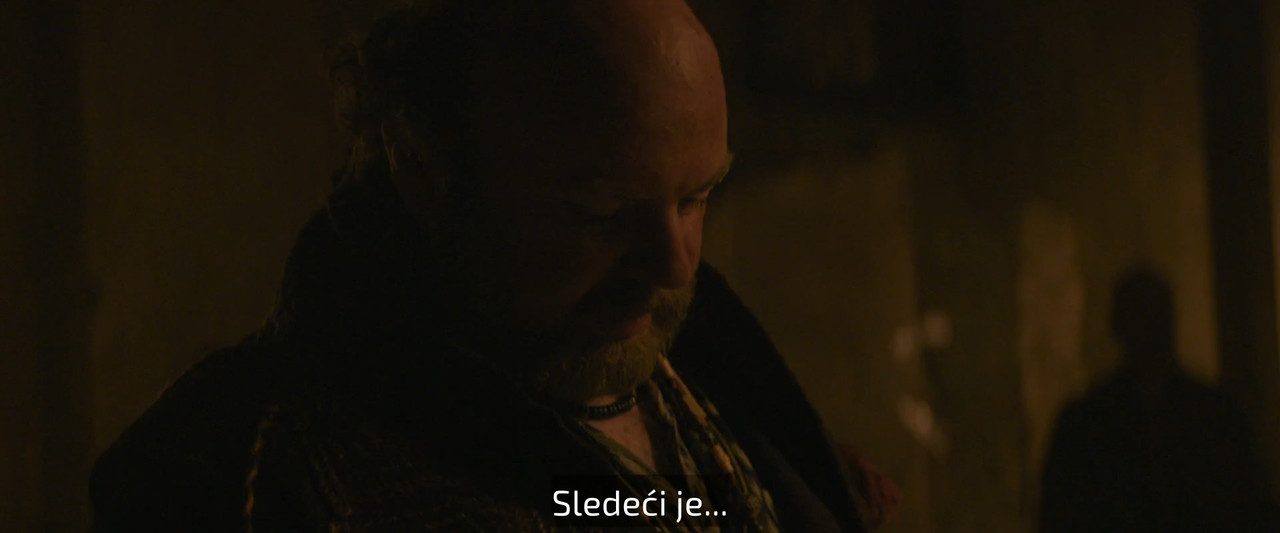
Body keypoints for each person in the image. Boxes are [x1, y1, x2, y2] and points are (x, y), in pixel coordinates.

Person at [89, 1, 895, 530]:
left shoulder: (707, 369)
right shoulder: (237, 478)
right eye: (602, 211)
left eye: (697, 196)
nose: (677, 263)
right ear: (425, 168)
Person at [1039, 266, 1278, 532]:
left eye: (1153, 316)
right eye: (1142, 316)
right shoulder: (1215, 414)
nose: (1147, 328)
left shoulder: (1086, 421)